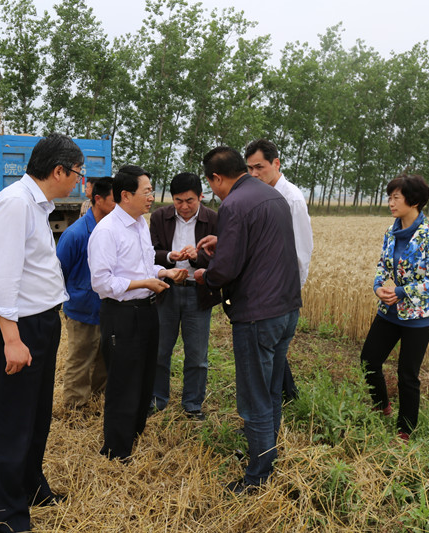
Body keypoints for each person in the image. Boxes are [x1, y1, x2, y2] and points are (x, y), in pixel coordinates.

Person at [0, 133, 84, 533]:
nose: (78, 180)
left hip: (40, 322)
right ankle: (7, 512)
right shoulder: (16, 204)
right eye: (76, 172)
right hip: (18, 327)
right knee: (11, 421)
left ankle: (30, 485)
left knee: (36, 416)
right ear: (58, 171)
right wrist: (12, 339)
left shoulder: (36, 205)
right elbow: (1, 278)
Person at [193, 146, 301, 494]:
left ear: (216, 178)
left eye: (211, 185)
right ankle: (269, 453)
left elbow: (225, 269)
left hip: (257, 315)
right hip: (286, 309)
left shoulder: (234, 204)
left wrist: (205, 275)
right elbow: (260, 247)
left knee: (254, 398)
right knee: (270, 390)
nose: (214, 192)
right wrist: (224, 242)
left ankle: (257, 477)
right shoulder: (272, 195)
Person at [88, 165, 187, 461]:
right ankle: (116, 451)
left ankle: (134, 434)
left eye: (152, 191)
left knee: (144, 376)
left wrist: (164, 272)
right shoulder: (107, 231)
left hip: (147, 309)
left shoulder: (141, 224)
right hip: (121, 314)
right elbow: (102, 283)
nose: (151, 197)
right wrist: (144, 283)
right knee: (123, 381)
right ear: (126, 195)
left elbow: (142, 267)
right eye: (146, 192)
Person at [360, 173, 429, 443]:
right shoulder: (391, 232)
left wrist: (400, 292)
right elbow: (382, 266)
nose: (390, 202)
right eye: (389, 197)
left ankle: (405, 429)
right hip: (388, 312)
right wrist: (378, 287)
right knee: (369, 360)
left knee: (407, 375)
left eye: (396, 197)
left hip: (418, 318)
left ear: (414, 201)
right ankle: (382, 405)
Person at [244, 139, 314, 401]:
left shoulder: (291, 198)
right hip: (263, 293)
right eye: (249, 168)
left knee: (271, 357)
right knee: (270, 358)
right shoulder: (258, 194)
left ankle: (272, 408)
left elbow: (302, 251)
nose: (254, 174)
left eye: (259, 167)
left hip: (282, 295)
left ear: (276, 164)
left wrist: (292, 291)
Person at [149, 172, 219, 420]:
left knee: (197, 355)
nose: (184, 206)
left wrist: (198, 257)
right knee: (160, 350)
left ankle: (192, 404)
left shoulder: (213, 219)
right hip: (166, 289)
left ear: (201, 196)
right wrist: (170, 257)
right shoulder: (159, 217)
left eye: (190, 200)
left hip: (198, 292)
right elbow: (150, 252)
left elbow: (222, 257)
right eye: (178, 201)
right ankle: (157, 400)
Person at [56, 177, 116, 411]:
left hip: (107, 306)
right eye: (115, 200)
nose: (119, 205)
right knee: (80, 359)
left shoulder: (113, 230)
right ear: (98, 199)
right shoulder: (76, 234)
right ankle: (75, 407)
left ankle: (98, 398)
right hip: (82, 308)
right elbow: (59, 272)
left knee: (104, 357)